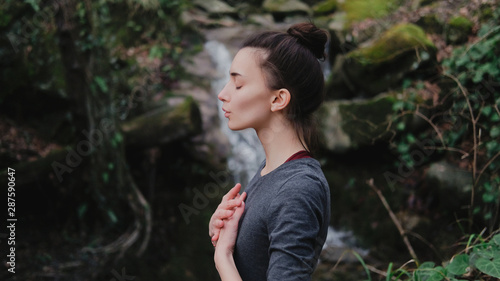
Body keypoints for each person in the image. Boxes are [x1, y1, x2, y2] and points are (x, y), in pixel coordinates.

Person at [208, 22, 331, 281]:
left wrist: (223, 258)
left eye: (238, 85)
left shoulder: (298, 189)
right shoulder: (271, 171)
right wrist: (226, 235)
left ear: (278, 99)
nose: (222, 94)